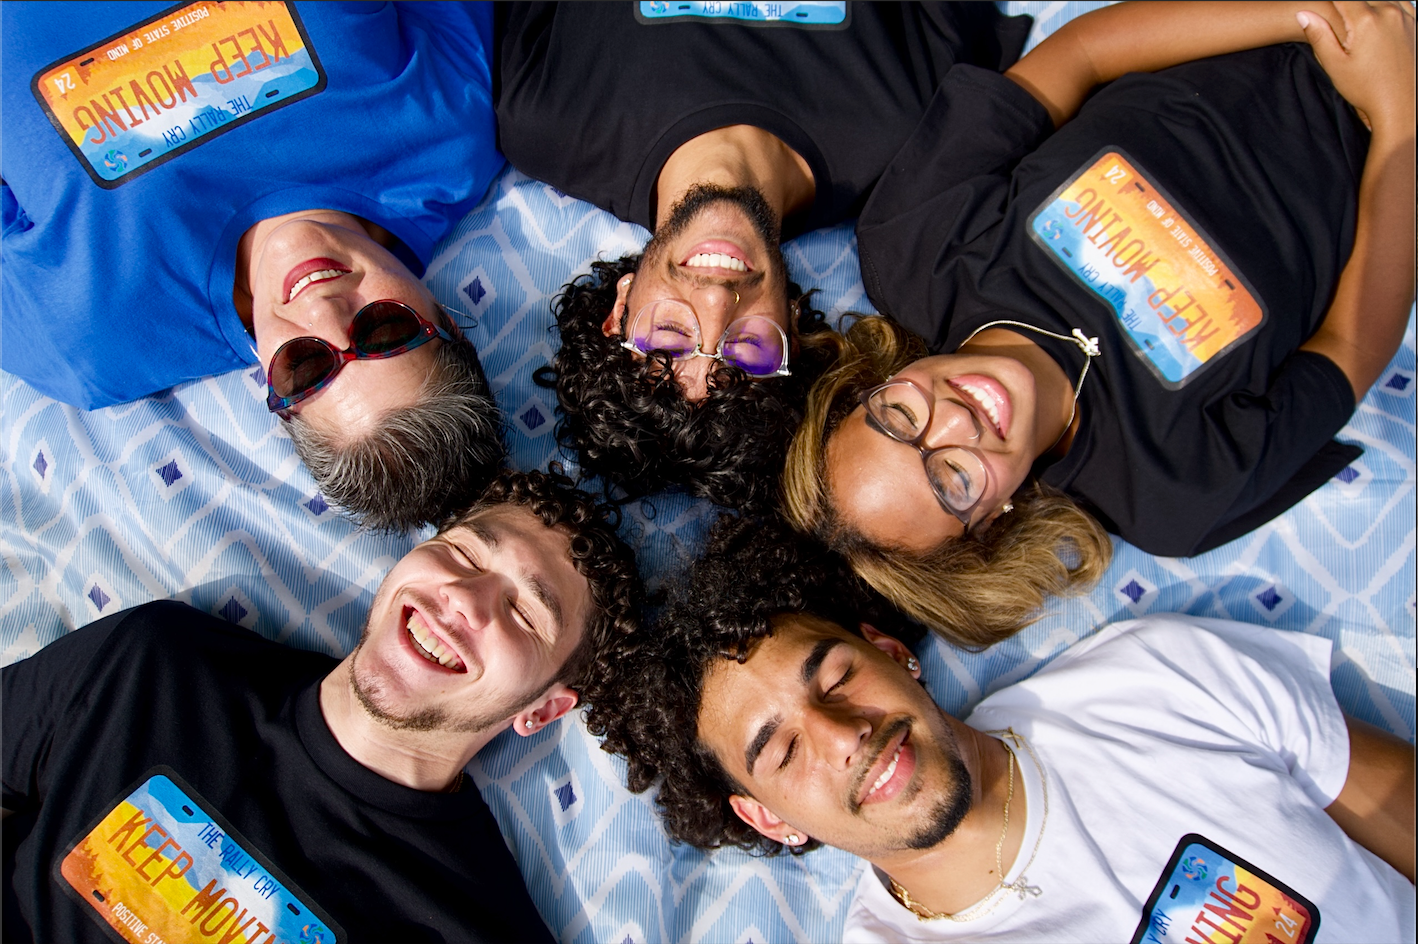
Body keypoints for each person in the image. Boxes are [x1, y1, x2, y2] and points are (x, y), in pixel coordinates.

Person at [785, 1, 1416, 646]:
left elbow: (1080, 55)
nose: (954, 419)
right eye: (952, 480)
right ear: (993, 524)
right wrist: (1398, 110)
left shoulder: (914, 245)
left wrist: (1312, 18)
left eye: (897, 418)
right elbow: (1354, 343)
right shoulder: (1171, 494)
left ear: (872, 385)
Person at [595, 514, 1416, 944]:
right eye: (781, 749)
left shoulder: (1154, 675)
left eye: (837, 677)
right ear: (767, 818)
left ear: (889, 651)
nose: (843, 733)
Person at [1, 470, 644, 943]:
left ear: (543, 711)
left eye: (524, 613)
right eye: (464, 553)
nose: (465, 598)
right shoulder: (155, 664)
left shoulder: (470, 927)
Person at [494, 2, 1033, 507]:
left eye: (670, 339)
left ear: (623, 304)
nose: (713, 301)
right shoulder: (915, 152)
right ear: (792, 334)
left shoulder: (544, 116)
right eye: (746, 350)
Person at [2, 1, 507, 530]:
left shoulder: (98, 334)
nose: (326, 313)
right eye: (384, 329)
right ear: (446, 320)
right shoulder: (446, 134)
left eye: (308, 367)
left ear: (275, 390)